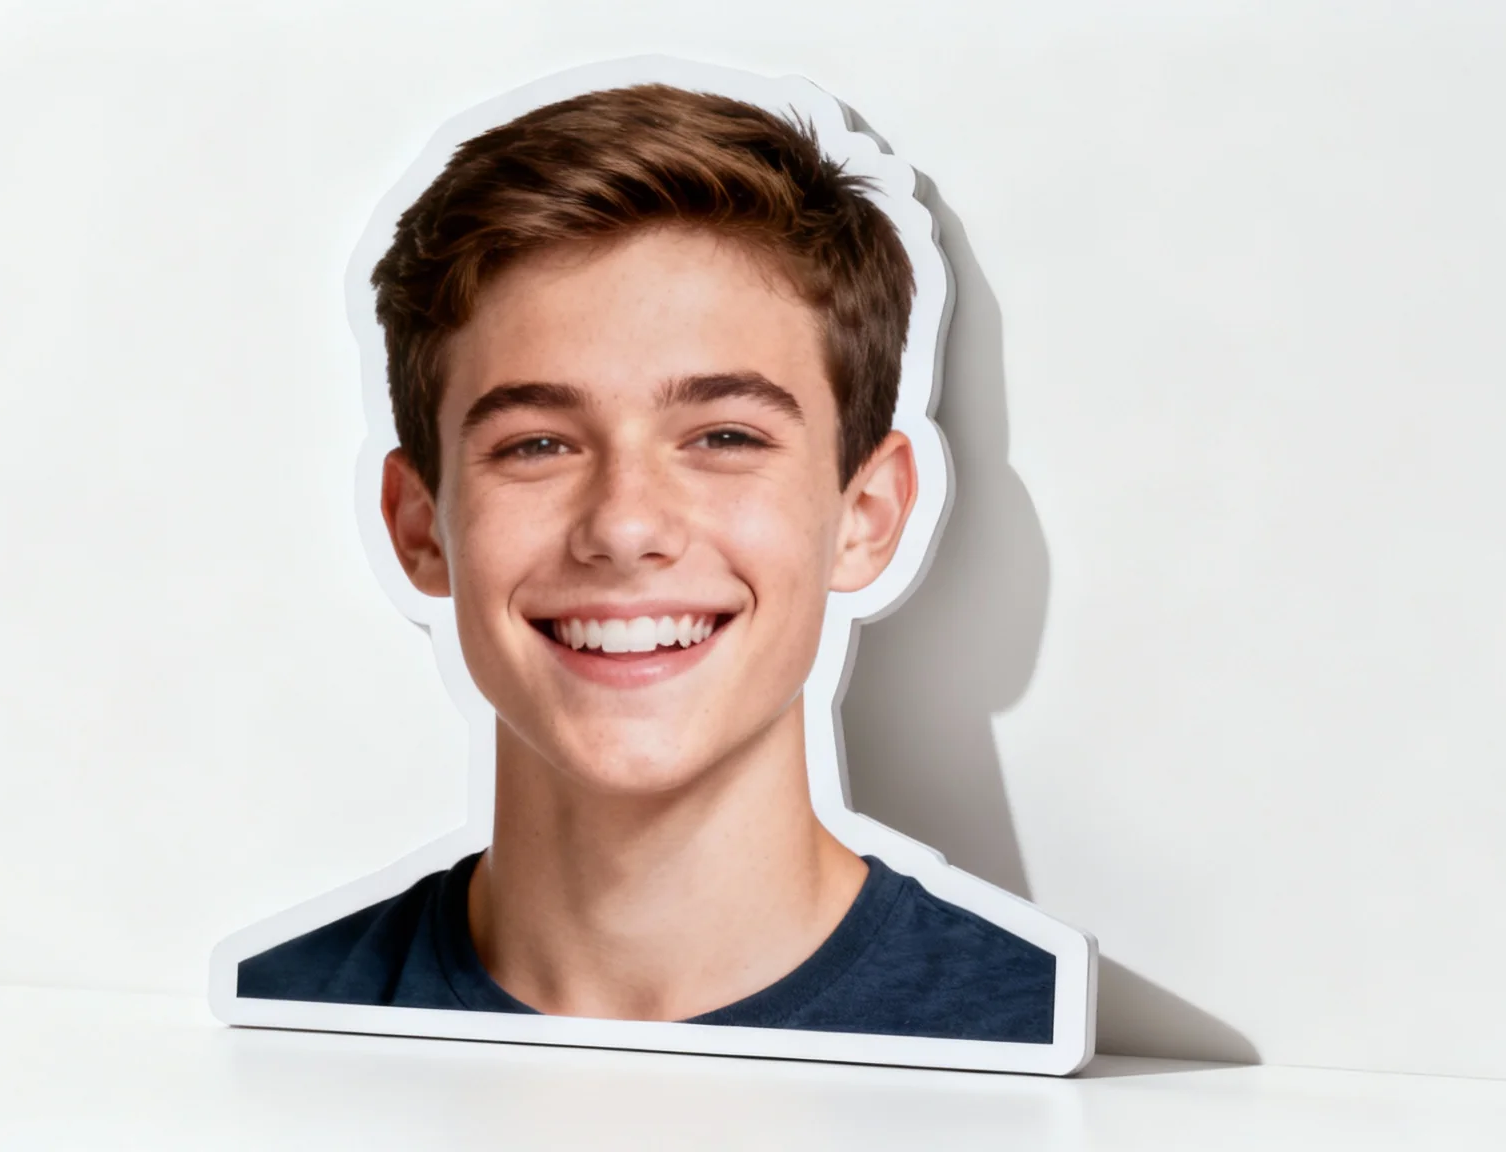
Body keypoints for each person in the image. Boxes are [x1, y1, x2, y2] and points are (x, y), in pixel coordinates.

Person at [236, 83, 1055, 1042]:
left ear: (865, 516)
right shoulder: (276, 1037)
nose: (624, 527)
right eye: (537, 444)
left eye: (723, 436)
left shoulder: (1037, 1050)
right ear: (419, 525)